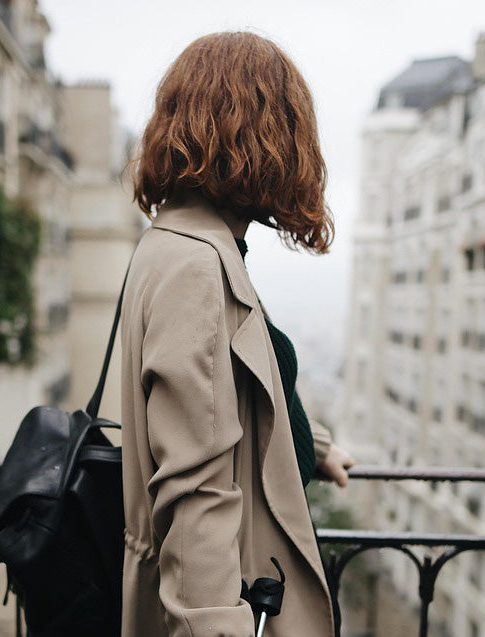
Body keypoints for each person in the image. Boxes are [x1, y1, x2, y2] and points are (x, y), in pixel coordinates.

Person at [119, 31, 355, 637]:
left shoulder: (183, 241)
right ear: (266, 137)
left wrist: (315, 448)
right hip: (233, 599)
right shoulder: (198, 265)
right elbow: (196, 489)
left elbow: (235, 385)